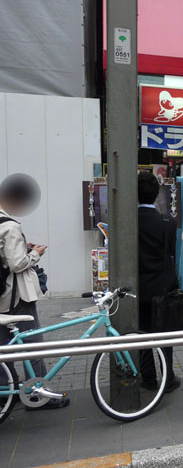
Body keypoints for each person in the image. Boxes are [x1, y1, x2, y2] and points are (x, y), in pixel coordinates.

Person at [0, 174, 69, 410]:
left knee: (5, 348)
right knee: (34, 346)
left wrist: (24, 248)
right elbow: (17, 264)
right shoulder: (9, 226)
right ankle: (39, 395)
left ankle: (6, 391)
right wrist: (35, 253)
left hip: (2, 297)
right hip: (17, 297)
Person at [138, 172, 181, 393]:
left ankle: (148, 378)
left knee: (142, 333)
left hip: (138, 286)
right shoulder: (168, 222)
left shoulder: (127, 222)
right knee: (164, 333)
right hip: (163, 285)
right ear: (156, 194)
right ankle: (168, 378)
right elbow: (172, 252)